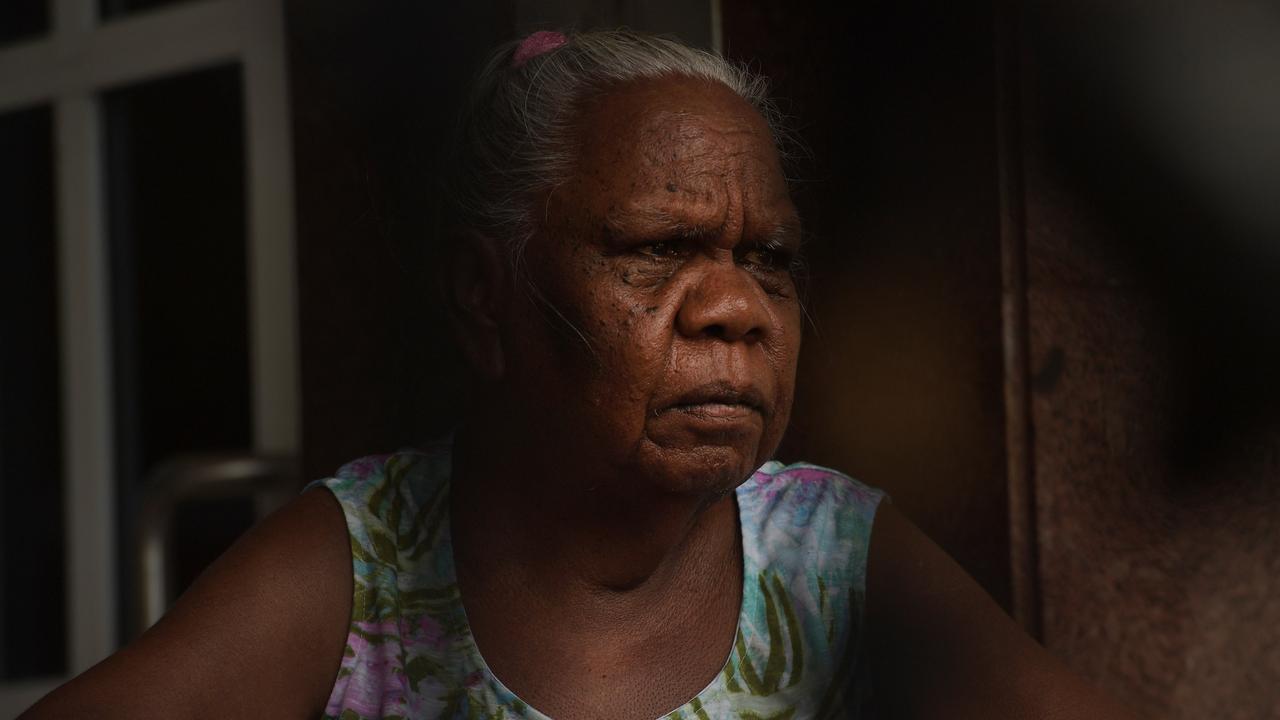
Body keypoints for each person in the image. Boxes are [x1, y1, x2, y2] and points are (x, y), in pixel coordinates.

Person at [24, 30, 1142, 720]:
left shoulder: (827, 555)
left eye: (770, 261)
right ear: (484, 297)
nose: (736, 311)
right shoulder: (364, 560)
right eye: (657, 252)